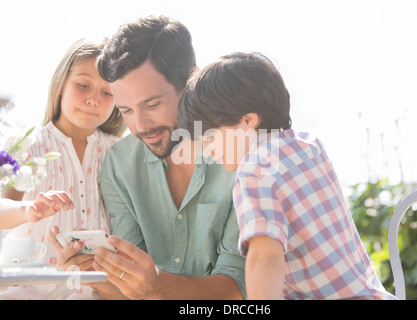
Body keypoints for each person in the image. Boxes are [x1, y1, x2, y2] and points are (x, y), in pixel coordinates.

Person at [177, 52, 397, 300]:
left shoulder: (254, 170)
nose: (207, 151)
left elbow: (265, 258)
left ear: (248, 120)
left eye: (209, 138)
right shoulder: (308, 146)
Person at [75, 15, 246, 300]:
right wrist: (92, 276)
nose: (140, 126)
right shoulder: (119, 165)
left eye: (152, 104)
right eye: (126, 110)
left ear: (191, 80)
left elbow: (240, 288)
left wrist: (157, 285)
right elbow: (133, 292)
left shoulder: (240, 154)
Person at [1, 38, 126, 299]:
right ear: (61, 84)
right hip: (28, 289)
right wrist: (28, 209)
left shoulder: (120, 152)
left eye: (107, 92)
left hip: (96, 290)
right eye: (83, 85)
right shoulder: (25, 144)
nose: (94, 99)